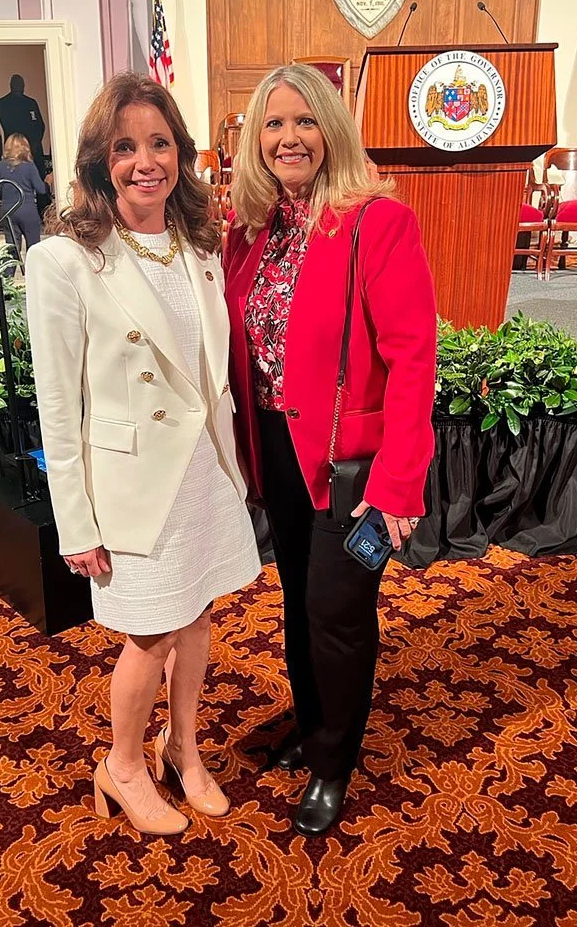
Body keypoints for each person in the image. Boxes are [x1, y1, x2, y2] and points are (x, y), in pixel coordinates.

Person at [25, 71, 260, 837]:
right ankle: (122, 765)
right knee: (149, 633)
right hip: (132, 485)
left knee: (196, 619)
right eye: (125, 146)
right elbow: (58, 404)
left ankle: (183, 747)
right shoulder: (67, 260)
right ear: (100, 159)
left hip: (201, 471)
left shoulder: (196, 242)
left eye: (159, 143)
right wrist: (75, 522)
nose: (145, 160)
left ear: (181, 154)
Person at [223, 64, 437, 836]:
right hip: (276, 446)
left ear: (331, 131)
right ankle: (313, 725)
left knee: (336, 612)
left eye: (305, 121)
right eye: (274, 124)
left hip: (352, 460)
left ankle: (334, 762)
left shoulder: (377, 221)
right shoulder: (249, 231)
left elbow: (415, 354)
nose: (289, 137)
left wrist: (401, 481)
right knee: (295, 601)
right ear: (257, 140)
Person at [0, 133, 49, 275]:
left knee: (12, 248)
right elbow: (40, 189)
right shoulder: (29, 166)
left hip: (8, 211)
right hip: (27, 209)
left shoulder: (0, 167)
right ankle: (35, 276)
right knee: (33, 247)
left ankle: (7, 280)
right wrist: (48, 182)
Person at [0, 74, 47, 177]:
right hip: (15, 150)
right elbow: (7, 126)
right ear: (11, 85)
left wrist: (34, 143)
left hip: (33, 149)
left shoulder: (31, 103)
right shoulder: (4, 103)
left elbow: (39, 125)